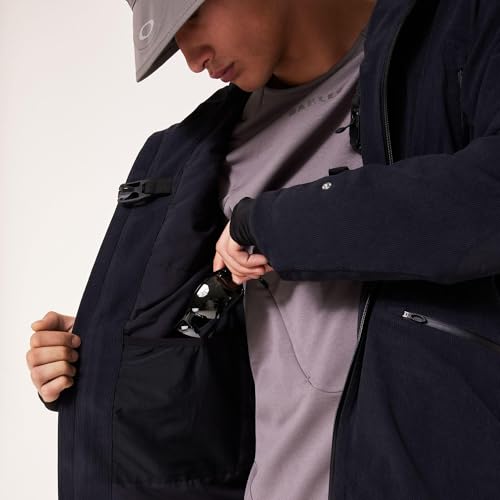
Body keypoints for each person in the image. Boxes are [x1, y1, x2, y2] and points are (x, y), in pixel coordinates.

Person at [27, 1, 500, 499]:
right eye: (171, 39)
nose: (191, 58)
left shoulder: (460, 32)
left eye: (191, 17)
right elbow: (200, 334)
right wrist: (101, 359)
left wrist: (274, 224)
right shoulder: (195, 152)